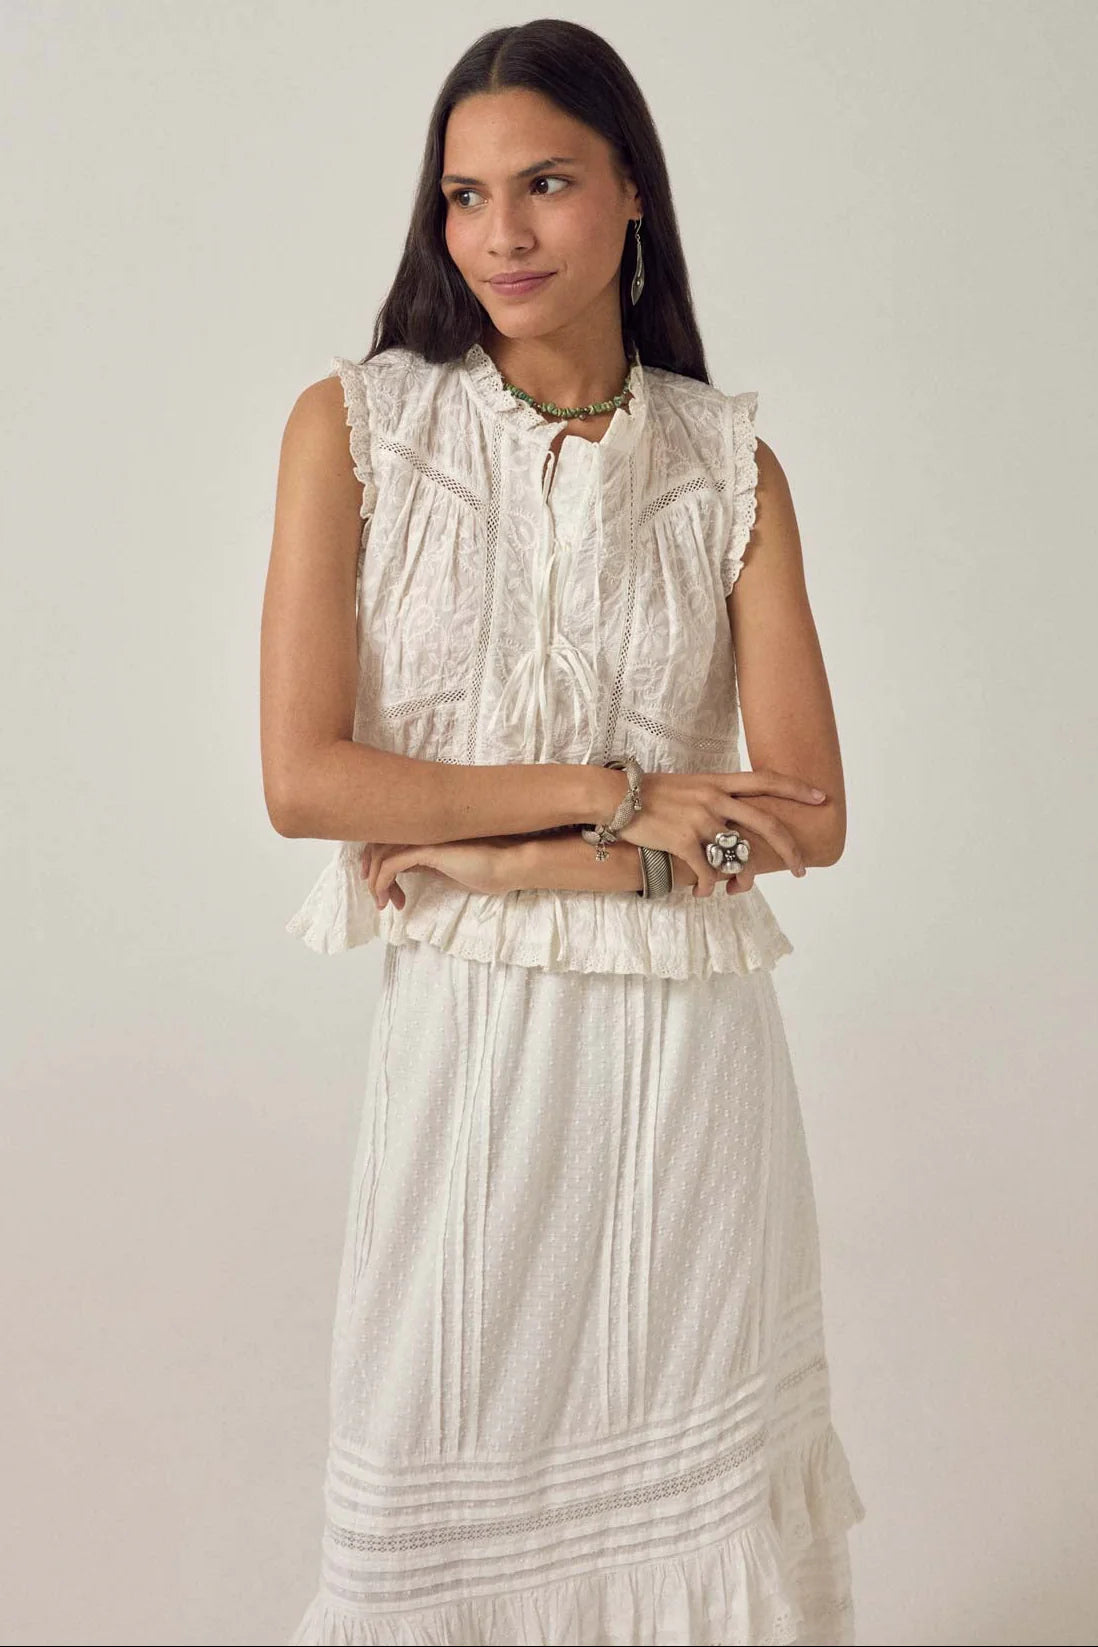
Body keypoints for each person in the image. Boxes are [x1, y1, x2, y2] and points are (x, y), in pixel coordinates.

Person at [261, 19, 866, 1645]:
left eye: (543, 184)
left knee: (699, 1493)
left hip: (690, 1076)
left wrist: (521, 855)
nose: (500, 233)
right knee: (429, 1466)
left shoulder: (727, 463)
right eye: (463, 196)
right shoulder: (360, 428)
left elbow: (802, 820)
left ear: (631, 201)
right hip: (471, 1049)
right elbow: (308, 781)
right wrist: (616, 795)